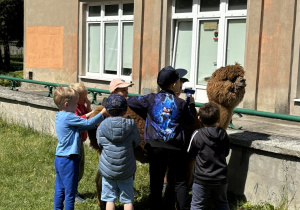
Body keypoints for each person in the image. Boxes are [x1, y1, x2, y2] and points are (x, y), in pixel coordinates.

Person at [127, 66, 196, 210]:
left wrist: (146, 112)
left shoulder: (150, 99)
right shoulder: (180, 103)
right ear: (173, 85)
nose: (179, 84)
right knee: (179, 182)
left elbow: (131, 102)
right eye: (178, 82)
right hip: (175, 148)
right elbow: (190, 120)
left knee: (156, 183)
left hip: (155, 147)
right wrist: (192, 105)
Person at [53, 86, 108, 210]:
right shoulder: (69, 116)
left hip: (59, 158)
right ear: (66, 104)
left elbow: (80, 125)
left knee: (60, 189)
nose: (77, 108)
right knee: (70, 192)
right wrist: (102, 114)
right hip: (69, 159)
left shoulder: (60, 116)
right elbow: (87, 124)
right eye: (75, 105)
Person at [96, 94, 141, 210]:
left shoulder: (102, 126)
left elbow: (100, 143)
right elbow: (137, 141)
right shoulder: (131, 125)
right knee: (128, 200)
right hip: (126, 169)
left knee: (109, 199)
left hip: (108, 169)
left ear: (108, 110)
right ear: (126, 109)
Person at [187, 103, 230, 210]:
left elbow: (190, 153)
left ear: (199, 119)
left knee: (197, 205)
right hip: (220, 177)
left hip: (201, 178)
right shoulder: (223, 134)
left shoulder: (197, 134)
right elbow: (226, 152)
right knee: (222, 203)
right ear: (219, 120)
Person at [69, 82, 93, 202]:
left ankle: (75, 190)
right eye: (84, 97)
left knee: (80, 166)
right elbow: (80, 120)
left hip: (80, 142)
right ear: (76, 98)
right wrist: (90, 113)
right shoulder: (73, 109)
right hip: (74, 143)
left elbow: (89, 116)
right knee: (75, 167)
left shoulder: (82, 106)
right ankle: (72, 193)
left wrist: (88, 106)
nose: (86, 99)